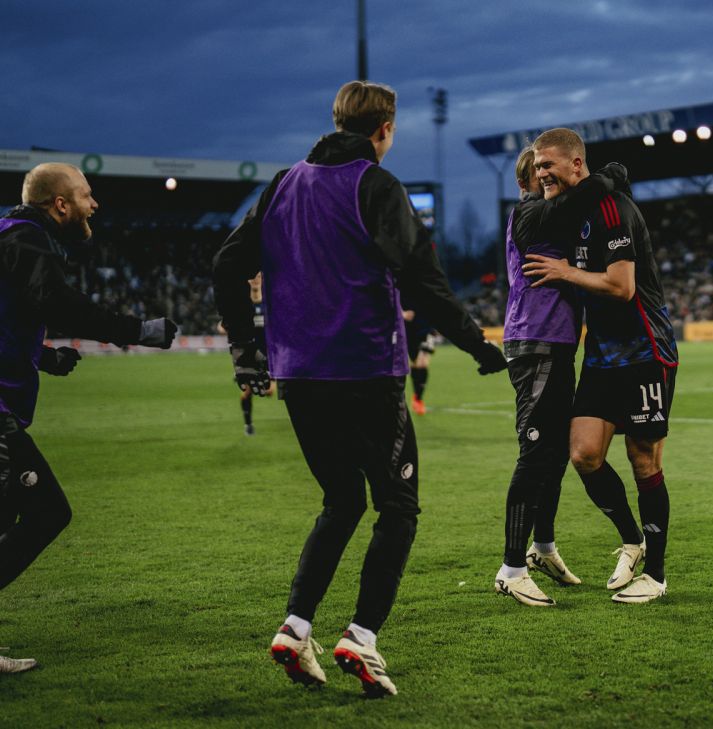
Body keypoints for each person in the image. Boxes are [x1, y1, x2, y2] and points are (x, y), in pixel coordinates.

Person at [213, 81, 507, 697]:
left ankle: (295, 628)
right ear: (385, 129)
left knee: (342, 501)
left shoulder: (284, 183)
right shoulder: (376, 185)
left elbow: (225, 265)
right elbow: (423, 281)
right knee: (397, 508)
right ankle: (362, 638)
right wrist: (480, 347)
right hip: (366, 375)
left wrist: (248, 355)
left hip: (299, 377)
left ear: (336, 120)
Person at [0, 163, 176, 673]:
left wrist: (44, 357)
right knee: (46, 512)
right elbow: (58, 303)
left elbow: (16, 317)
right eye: (87, 195)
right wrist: (137, 330)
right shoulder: (26, 240)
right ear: (61, 204)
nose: (94, 204)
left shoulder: (13, 238)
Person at [522, 128, 678, 605]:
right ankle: (633, 539)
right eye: (537, 165)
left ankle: (656, 574)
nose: (541, 173)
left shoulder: (614, 209)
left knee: (643, 457)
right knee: (584, 454)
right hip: (602, 355)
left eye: (549, 165)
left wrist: (566, 272)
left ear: (576, 164)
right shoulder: (570, 212)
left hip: (645, 351)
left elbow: (622, 286)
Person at [492, 148, 627, 607]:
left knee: (551, 455)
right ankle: (511, 569)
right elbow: (575, 201)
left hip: (555, 342)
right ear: (526, 181)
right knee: (535, 454)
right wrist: (608, 176)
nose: (548, 178)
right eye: (540, 171)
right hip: (535, 343)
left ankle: (542, 548)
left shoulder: (551, 216)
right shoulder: (530, 212)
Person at [239, 273, 271, 434]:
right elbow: (223, 326)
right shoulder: (243, 304)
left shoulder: (269, 303)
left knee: (274, 391)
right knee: (246, 391)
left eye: (258, 277)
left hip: (270, 356)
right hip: (250, 356)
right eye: (252, 277)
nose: (255, 280)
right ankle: (248, 424)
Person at [401, 309, 435, 415]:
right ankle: (416, 396)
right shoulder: (402, 292)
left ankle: (418, 398)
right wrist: (402, 313)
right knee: (415, 364)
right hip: (409, 329)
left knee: (423, 363)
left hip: (426, 329)